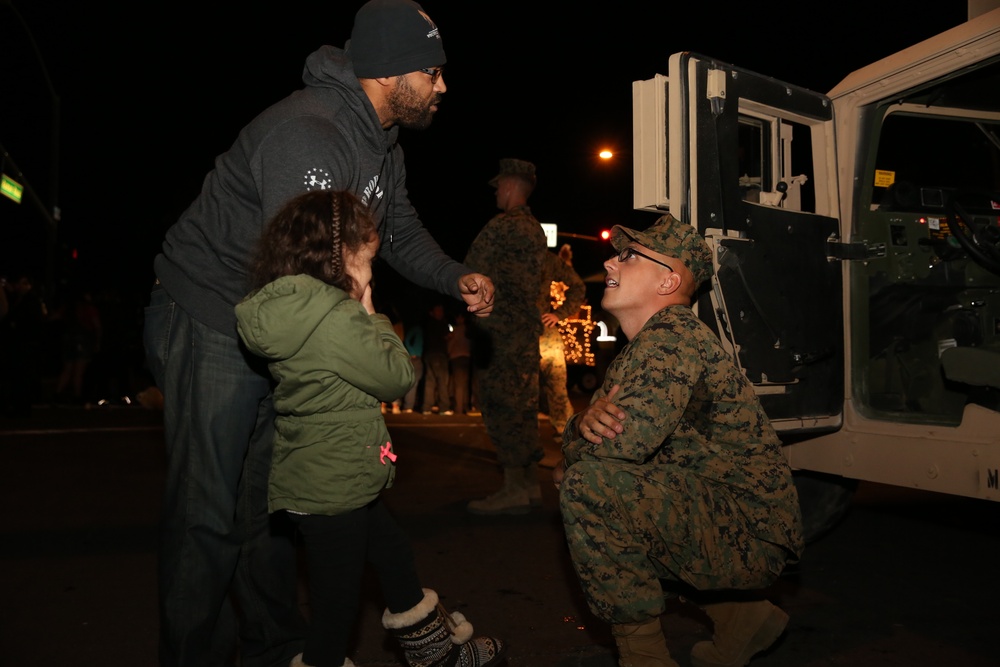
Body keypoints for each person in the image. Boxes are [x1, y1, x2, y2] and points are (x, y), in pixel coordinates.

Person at [141, 2, 495, 664]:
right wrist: (367, 350)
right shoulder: (312, 131)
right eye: (433, 71)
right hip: (212, 313)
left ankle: (276, 648)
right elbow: (302, 273)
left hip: (278, 317)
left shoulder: (381, 146)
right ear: (391, 74)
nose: (443, 86)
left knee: (269, 505)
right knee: (208, 513)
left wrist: (456, 276)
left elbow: (397, 230)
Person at [235, 189, 505, 667]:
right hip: (335, 483)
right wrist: (370, 308)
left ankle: (433, 654)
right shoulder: (336, 315)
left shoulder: (286, 308)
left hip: (319, 475)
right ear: (343, 254)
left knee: (392, 553)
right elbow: (396, 376)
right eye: (369, 258)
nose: (372, 267)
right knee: (335, 610)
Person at [554, 214, 804, 667]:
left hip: (749, 530)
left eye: (630, 256)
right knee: (600, 488)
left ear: (668, 282)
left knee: (591, 490)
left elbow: (610, 449)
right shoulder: (648, 344)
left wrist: (574, 438)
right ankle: (741, 620)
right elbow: (604, 446)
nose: (612, 263)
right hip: (734, 521)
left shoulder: (671, 339)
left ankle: (645, 659)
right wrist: (580, 435)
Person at [464, 158, 550, 515]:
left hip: (500, 335)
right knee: (524, 409)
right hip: (526, 335)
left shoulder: (502, 227)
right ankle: (529, 485)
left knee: (502, 409)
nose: (497, 191)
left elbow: (471, 267)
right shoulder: (536, 230)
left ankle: (514, 488)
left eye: (499, 186)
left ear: (512, 187)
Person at [538, 244, 585, 440]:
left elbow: (574, 286)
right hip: (520, 334)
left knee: (556, 384)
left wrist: (558, 314)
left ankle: (564, 429)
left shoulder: (546, 260)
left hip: (545, 333)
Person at [420, 302, 453, 415]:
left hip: (429, 355)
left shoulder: (427, 324)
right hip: (438, 355)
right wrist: (448, 336)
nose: (441, 312)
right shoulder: (439, 323)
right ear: (432, 312)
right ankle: (444, 407)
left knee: (430, 381)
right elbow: (447, 336)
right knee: (442, 380)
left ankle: (426, 408)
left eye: (441, 310)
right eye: (438, 310)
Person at [447, 311, 472, 415]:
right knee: (465, 383)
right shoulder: (468, 330)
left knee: (458, 384)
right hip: (467, 357)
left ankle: (459, 408)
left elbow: (451, 344)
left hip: (456, 357)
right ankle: (466, 406)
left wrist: (448, 352)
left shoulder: (456, 331)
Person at [399, 319, 424, 412]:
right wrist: (412, 352)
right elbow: (407, 339)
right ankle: (404, 405)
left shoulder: (420, 330)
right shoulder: (416, 329)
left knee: (414, 383)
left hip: (418, 357)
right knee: (410, 383)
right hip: (413, 358)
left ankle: (408, 406)